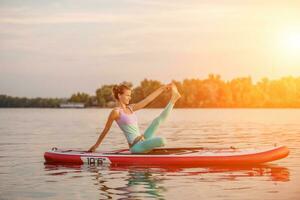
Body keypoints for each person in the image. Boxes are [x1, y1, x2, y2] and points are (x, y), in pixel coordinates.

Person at [88, 82, 181, 153]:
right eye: (128, 95)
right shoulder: (115, 112)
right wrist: (96, 146)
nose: (130, 97)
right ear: (120, 96)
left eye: (130, 95)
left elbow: (147, 100)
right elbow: (106, 130)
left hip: (143, 139)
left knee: (157, 121)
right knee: (162, 140)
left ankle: (173, 99)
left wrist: (162, 88)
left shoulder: (131, 107)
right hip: (136, 146)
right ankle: (148, 148)